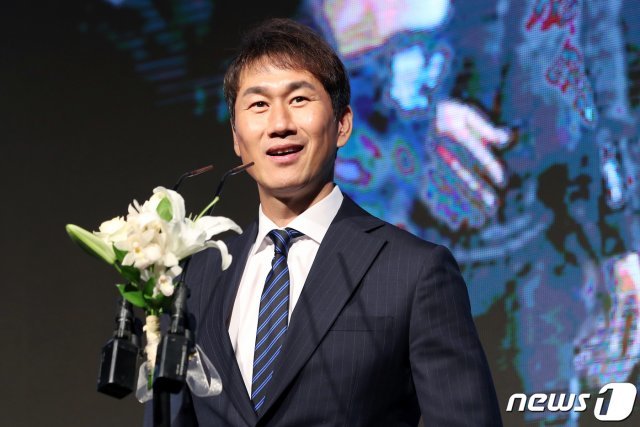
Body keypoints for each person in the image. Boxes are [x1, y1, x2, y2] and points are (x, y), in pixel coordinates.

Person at [172, 18, 502, 426]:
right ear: (237, 138)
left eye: (299, 99)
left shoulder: (414, 272)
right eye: (258, 105)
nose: (279, 124)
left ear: (342, 124)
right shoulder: (199, 275)